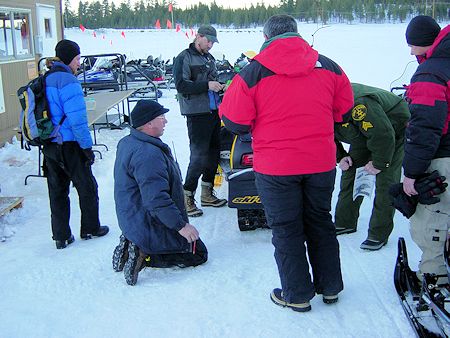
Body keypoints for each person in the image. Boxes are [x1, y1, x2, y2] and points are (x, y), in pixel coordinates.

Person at [220, 14, 354, 312]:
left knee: (286, 228)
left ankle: (297, 294)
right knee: (320, 220)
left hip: (276, 166)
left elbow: (234, 121)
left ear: (266, 36)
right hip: (320, 162)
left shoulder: (252, 72)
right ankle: (330, 287)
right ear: (296, 33)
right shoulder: (329, 66)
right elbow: (343, 111)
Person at [113, 100, 208, 286]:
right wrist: (181, 226)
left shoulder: (129, 142)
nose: (165, 121)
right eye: (161, 117)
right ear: (148, 123)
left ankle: (132, 239)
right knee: (199, 253)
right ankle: (144, 253)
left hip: (133, 218)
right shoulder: (148, 154)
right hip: (149, 221)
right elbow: (156, 200)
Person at [42, 39, 109, 249]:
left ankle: (61, 236)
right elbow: (77, 120)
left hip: (50, 145)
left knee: (57, 191)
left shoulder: (45, 78)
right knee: (87, 186)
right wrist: (87, 148)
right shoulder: (68, 81)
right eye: (78, 58)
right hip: (70, 144)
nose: (79, 63)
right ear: (70, 58)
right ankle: (90, 228)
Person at [334, 83, 410, 250]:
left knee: (386, 181)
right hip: (363, 133)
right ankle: (344, 223)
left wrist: (379, 163)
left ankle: (378, 234)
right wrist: (340, 157)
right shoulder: (314, 108)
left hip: (392, 129)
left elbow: (384, 134)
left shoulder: (358, 103)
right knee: (351, 172)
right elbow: (322, 134)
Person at [403, 16, 450, 281]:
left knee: (432, 216)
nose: (410, 51)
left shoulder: (431, 73)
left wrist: (412, 172)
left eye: (413, 45)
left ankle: (433, 276)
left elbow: (424, 128)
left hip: (442, 156)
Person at [173, 25, 227, 218]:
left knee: (213, 153)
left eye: (213, 42)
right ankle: (187, 196)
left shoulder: (208, 58)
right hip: (196, 114)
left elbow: (213, 80)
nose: (211, 45)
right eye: (209, 41)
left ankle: (207, 193)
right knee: (198, 156)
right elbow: (181, 85)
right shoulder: (184, 57)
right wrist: (207, 85)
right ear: (199, 37)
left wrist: (220, 87)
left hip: (213, 112)